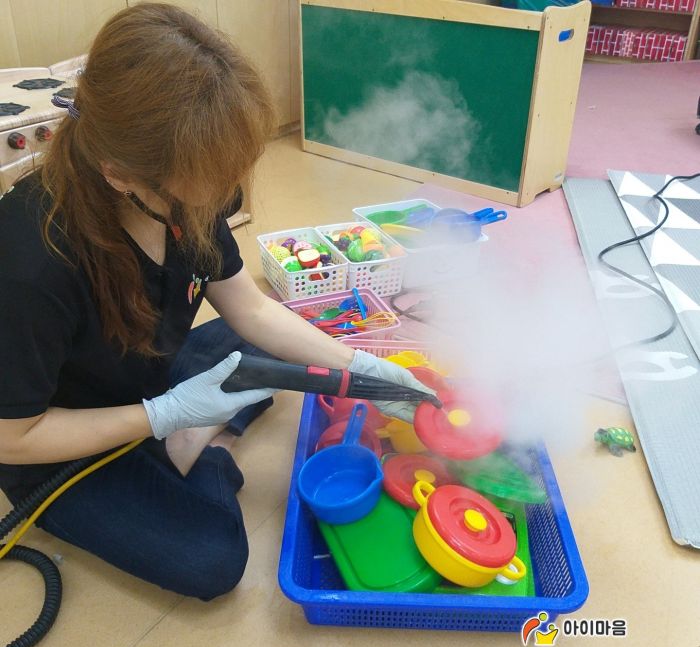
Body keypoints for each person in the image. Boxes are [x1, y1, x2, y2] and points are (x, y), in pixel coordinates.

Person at [0, 3, 430, 601]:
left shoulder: (184, 200)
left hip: (149, 375)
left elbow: (249, 309)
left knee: (276, 340)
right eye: (202, 194)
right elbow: (13, 437)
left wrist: (362, 371)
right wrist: (164, 417)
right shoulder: (30, 264)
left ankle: (186, 437)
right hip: (60, 439)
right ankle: (201, 445)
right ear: (119, 173)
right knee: (212, 560)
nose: (221, 203)